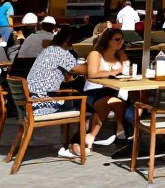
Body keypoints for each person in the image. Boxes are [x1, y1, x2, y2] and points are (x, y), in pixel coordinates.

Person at [26, 27, 92, 157]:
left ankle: (65, 145)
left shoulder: (48, 50)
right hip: (43, 104)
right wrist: (92, 62)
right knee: (86, 110)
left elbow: (67, 77)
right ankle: (73, 145)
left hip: (32, 102)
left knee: (70, 102)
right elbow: (79, 70)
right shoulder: (61, 52)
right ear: (68, 41)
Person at [83, 27, 130, 145]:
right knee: (112, 101)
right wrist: (112, 73)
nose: (120, 42)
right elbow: (92, 74)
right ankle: (96, 134)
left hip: (114, 90)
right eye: (117, 39)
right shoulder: (96, 54)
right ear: (107, 40)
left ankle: (122, 129)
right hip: (94, 91)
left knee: (128, 101)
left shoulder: (119, 54)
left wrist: (121, 52)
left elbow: (127, 69)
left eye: (122, 40)